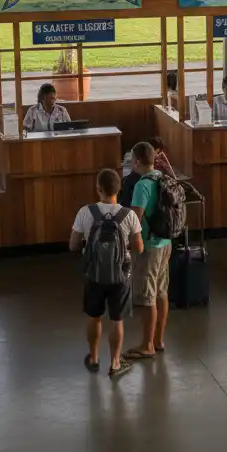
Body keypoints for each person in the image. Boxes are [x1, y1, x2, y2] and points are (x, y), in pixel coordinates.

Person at [70, 168, 143, 378]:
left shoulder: (86, 212)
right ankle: (115, 363)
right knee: (117, 319)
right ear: (119, 190)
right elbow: (138, 247)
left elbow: (73, 244)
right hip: (120, 276)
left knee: (94, 316)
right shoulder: (128, 215)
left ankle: (93, 358)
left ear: (98, 189)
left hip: (93, 274)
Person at [126, 141, 171, 361]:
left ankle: (147, 344)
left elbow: (135, 219)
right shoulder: (162, 178)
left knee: (147, 296)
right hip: (165, 242)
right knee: (161, 292)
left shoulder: (141, 185)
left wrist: (127, 244)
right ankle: (158, 339)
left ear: (136, 161)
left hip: (149, 247)